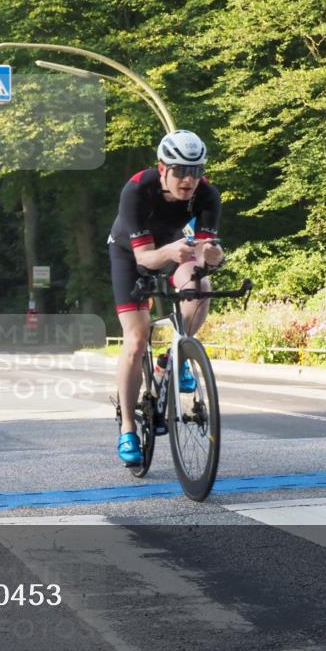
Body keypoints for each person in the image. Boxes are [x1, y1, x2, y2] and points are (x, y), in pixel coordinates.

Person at [107, 130, 225, 466]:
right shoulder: (137, 189)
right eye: (181, 171)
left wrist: (212, 257)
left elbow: (205, 252)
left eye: (196, 171)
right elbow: (145, 259)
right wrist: (174, 251)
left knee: (200, 287)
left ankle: (175, 356)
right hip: (130, 255)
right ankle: (128, 429)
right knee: (136, 337)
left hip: (176, 249)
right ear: (162, 169)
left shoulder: (207, 195)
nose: (189, 179)